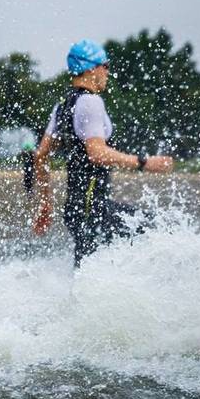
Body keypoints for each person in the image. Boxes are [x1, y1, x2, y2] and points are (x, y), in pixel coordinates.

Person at [31, 39, 173, 265]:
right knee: (155, 231)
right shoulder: (90, 102)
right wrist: (143, 162)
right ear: (91, 68)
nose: (108, 72)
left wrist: (45, 205)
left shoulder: (63, 106)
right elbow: (96, 153)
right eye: (105, 66)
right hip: (93, 208)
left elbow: (41, 156)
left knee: (90, 271)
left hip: (76, 208)